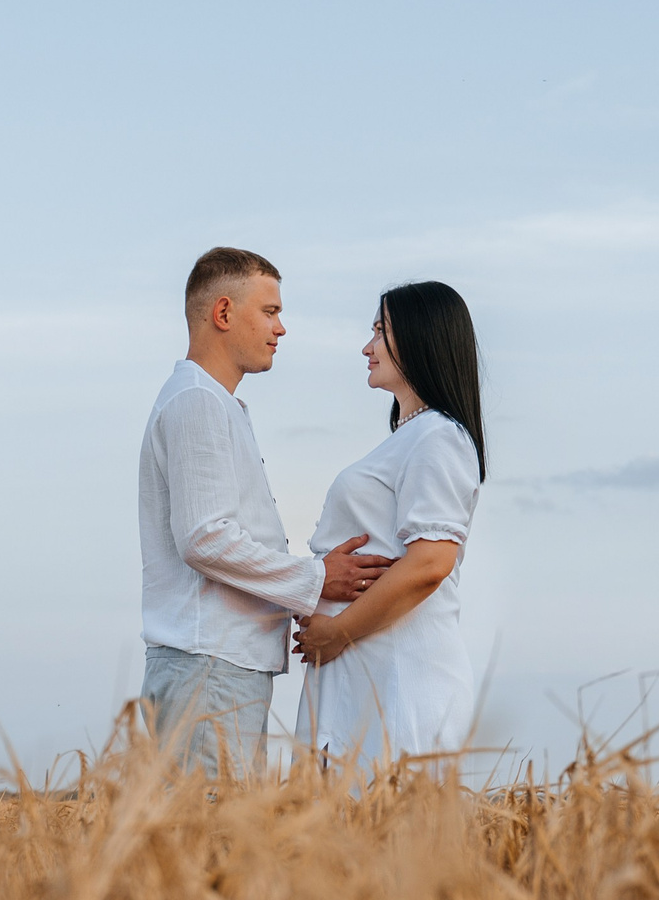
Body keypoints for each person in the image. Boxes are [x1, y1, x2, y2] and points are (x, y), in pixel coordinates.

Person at [139, 246, 391, 775]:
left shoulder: (212, 402)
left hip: (214, 665)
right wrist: (316, 578)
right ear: (224, 313)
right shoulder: (198, 402)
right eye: (270, 311)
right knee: (205, 841)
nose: (282, 328)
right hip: (208, 665)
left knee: (214, 841)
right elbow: (205, 538)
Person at [294, 281, 485, 769]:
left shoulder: (439, 437)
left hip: (401, 680)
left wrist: (337, 634)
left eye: (380, 331)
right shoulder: (411, 438)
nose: (367, 346)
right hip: (365, 673)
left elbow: (430, 562)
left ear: (422, 338)